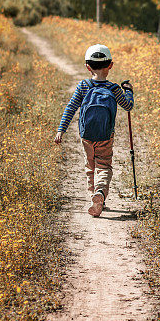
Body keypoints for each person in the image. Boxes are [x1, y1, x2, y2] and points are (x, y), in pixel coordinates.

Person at [54, 44, 134, 217]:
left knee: (90, 167)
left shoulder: (83, 86)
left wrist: (61, 130)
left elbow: (70, 108)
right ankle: (100, 193)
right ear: (110, 65)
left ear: (87, 67)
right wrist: (129, 92)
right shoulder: (114, 89)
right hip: (106, 135)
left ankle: (93, 198)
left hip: (86, 136)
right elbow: (128, 106)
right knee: (104, 166)